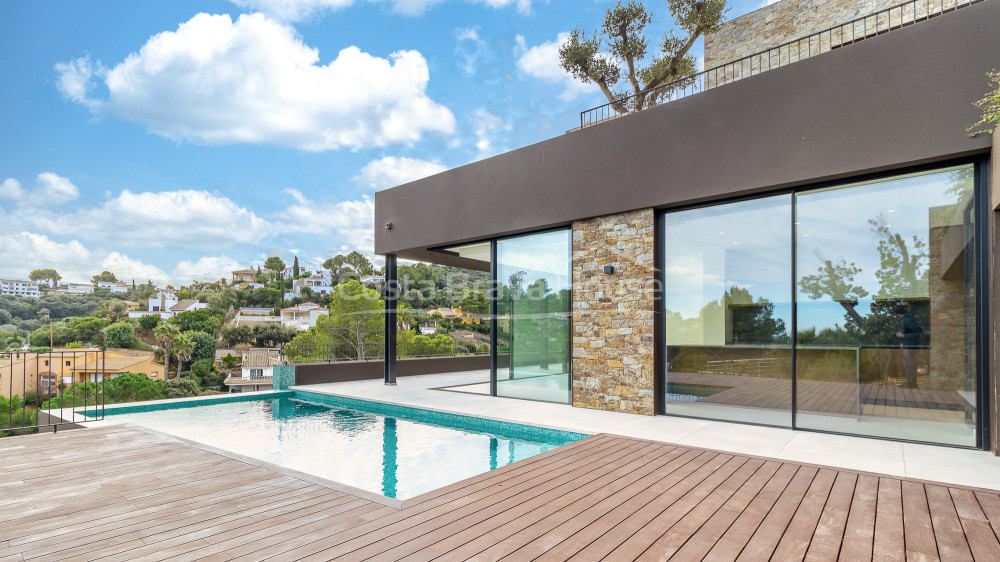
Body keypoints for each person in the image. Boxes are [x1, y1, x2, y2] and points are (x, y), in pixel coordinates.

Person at [892, 304, 923, 388]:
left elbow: (917, 334)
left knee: (911, 365)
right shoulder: (904, 319)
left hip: (911, 346)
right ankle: (909, 383)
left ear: (896, 313)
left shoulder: (909, 320)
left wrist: (904, 336)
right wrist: (902, 342)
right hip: (906, 345)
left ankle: (913, 385)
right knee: (906, 364)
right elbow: (906, 331)